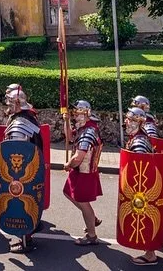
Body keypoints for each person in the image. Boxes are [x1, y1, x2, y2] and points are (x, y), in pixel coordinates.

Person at [3, 83, 43, 253]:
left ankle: (26, 241)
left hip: (22, 176)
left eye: (11, 103)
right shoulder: (28, 116)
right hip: (31, 172)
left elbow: (16, 154)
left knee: (21, 206)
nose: (9, 106)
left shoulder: (20, 125)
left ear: (18, 104)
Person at [120, 107, 160, 266]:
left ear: (138, 123)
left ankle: (151, 255)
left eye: (129, 120)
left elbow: (140, 170)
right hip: (140, 190)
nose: (126, 122)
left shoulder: (139, 143)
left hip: (141, 191)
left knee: (144, 219)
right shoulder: (138, 138)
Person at [63, 100, 103, 246]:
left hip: (85, 173)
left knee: (83, 203)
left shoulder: (88, 131)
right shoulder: (82, 127)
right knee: (68, 193)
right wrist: (66, 121)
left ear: (85, 113)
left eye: (76, 113)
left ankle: (91, 236)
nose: (74, 115)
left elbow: (79, 157)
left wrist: (68, 164)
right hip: (79, 172)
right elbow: (70, 137)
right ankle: (92, 218)